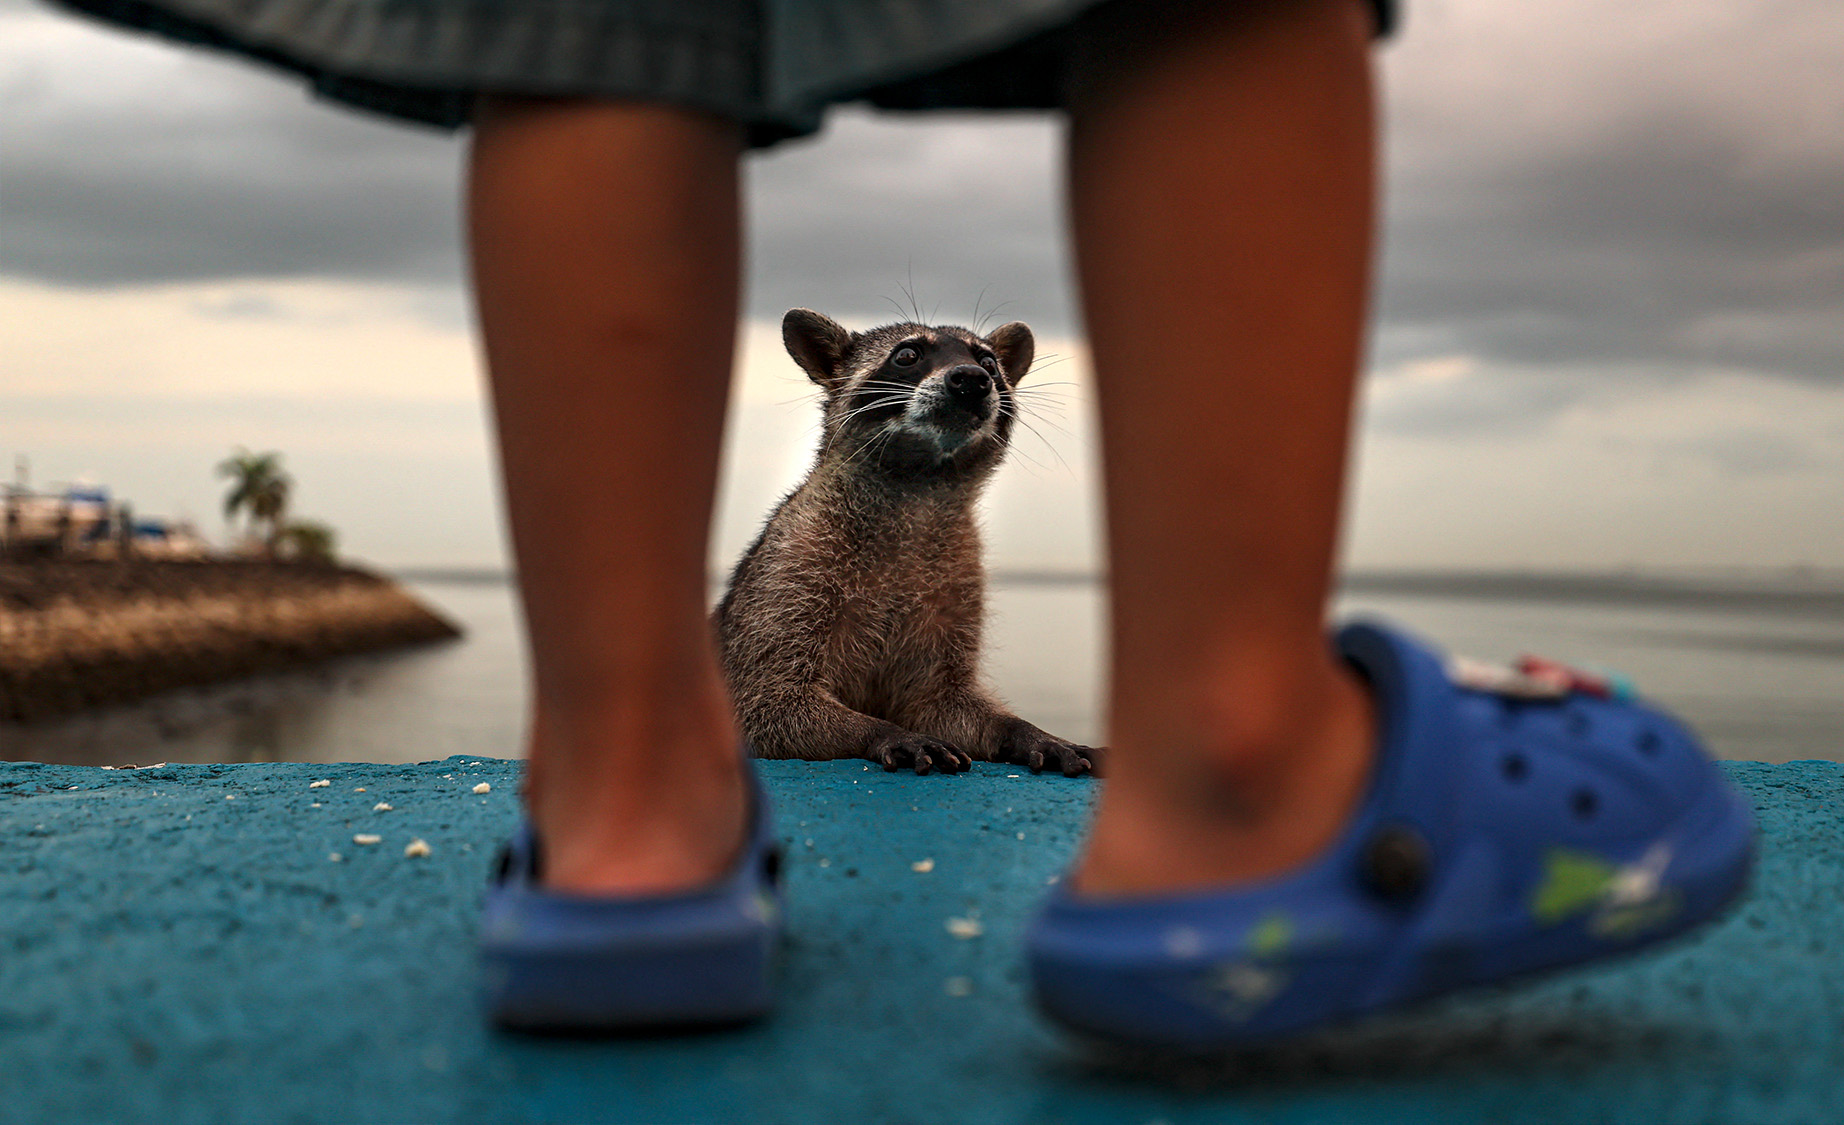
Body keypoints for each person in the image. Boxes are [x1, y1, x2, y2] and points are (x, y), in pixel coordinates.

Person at [51, 0, 1755, 1048]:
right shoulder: (824, 529)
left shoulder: (950, 539)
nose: (960, 372)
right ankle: (1240, 757)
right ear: (836, 390)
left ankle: (622, 826)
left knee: (580, 17)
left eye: (982, 369)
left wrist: (1000, 734)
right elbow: (786, 698)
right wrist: (884, 744)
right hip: (833, 708)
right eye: (918, 356)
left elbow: (931, 706)